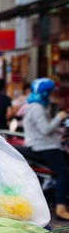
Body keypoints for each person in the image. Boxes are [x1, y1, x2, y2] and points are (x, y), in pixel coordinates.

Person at [22, 77, 69, 220]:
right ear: (44, 93)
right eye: (50, 93)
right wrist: (59, 117)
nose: (52, 96)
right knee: (64, 174)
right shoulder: (37, 108)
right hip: (44, 147)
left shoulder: (35, 107)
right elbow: (45, 129)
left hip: (45, 144)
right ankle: (61, 208)